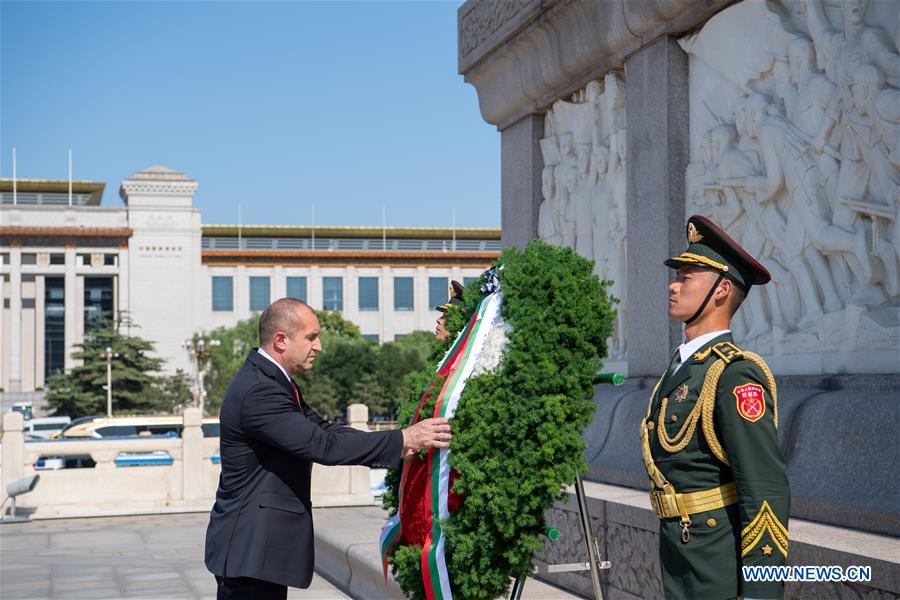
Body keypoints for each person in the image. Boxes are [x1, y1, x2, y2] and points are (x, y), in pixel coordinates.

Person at [205, 298, 451, 600]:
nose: (318, 346)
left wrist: (398, 444)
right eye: (311, 337)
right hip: (249, 550)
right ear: (281, 340)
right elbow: (321, 445)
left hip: (257, 550)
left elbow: (324, 429)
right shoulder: (261, 390)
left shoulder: (273, 381)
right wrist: (404, 438)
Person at [641, 216, 790, 599]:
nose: (673, 285)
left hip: (718, 562)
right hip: (681, 551)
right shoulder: (682, 368)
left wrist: (760, 593)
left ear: (722, 290)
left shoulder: (735, 376)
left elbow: (765, 491)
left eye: (687, 276)